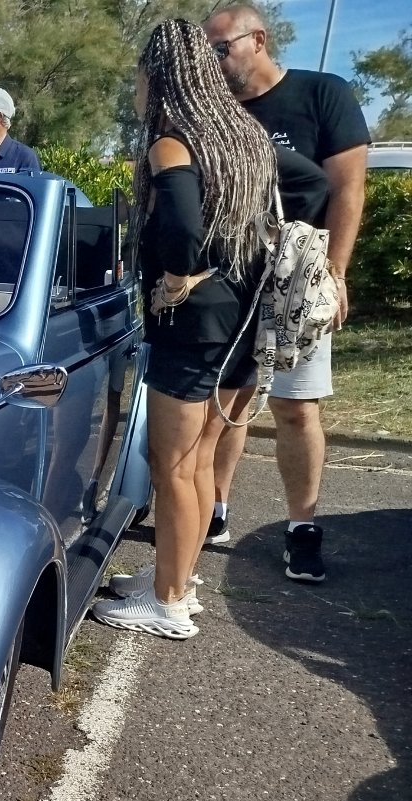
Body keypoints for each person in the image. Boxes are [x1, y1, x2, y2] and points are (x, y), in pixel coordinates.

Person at [91, 18, 277, 640]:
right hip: (244, 319)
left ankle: (167, 602)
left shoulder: (173, 143)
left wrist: (176, 276)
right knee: (198, 464)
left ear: (159, 76)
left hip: (193, 326)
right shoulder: (244, 136)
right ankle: (180, 578)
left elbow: (184, 234)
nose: (137, 88)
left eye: (140, 76)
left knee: (171, 465)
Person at [202, 3, 369, 582]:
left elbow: (348, 189)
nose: (215, 60)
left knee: (296, 407)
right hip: (232, 278)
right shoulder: (216, 112)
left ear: (258, 40)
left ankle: (302, 529)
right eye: (209, 51)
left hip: (298, 273)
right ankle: (214, 510)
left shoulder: (323, 93)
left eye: (222, 48)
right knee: (227, 402)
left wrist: (336, 272)